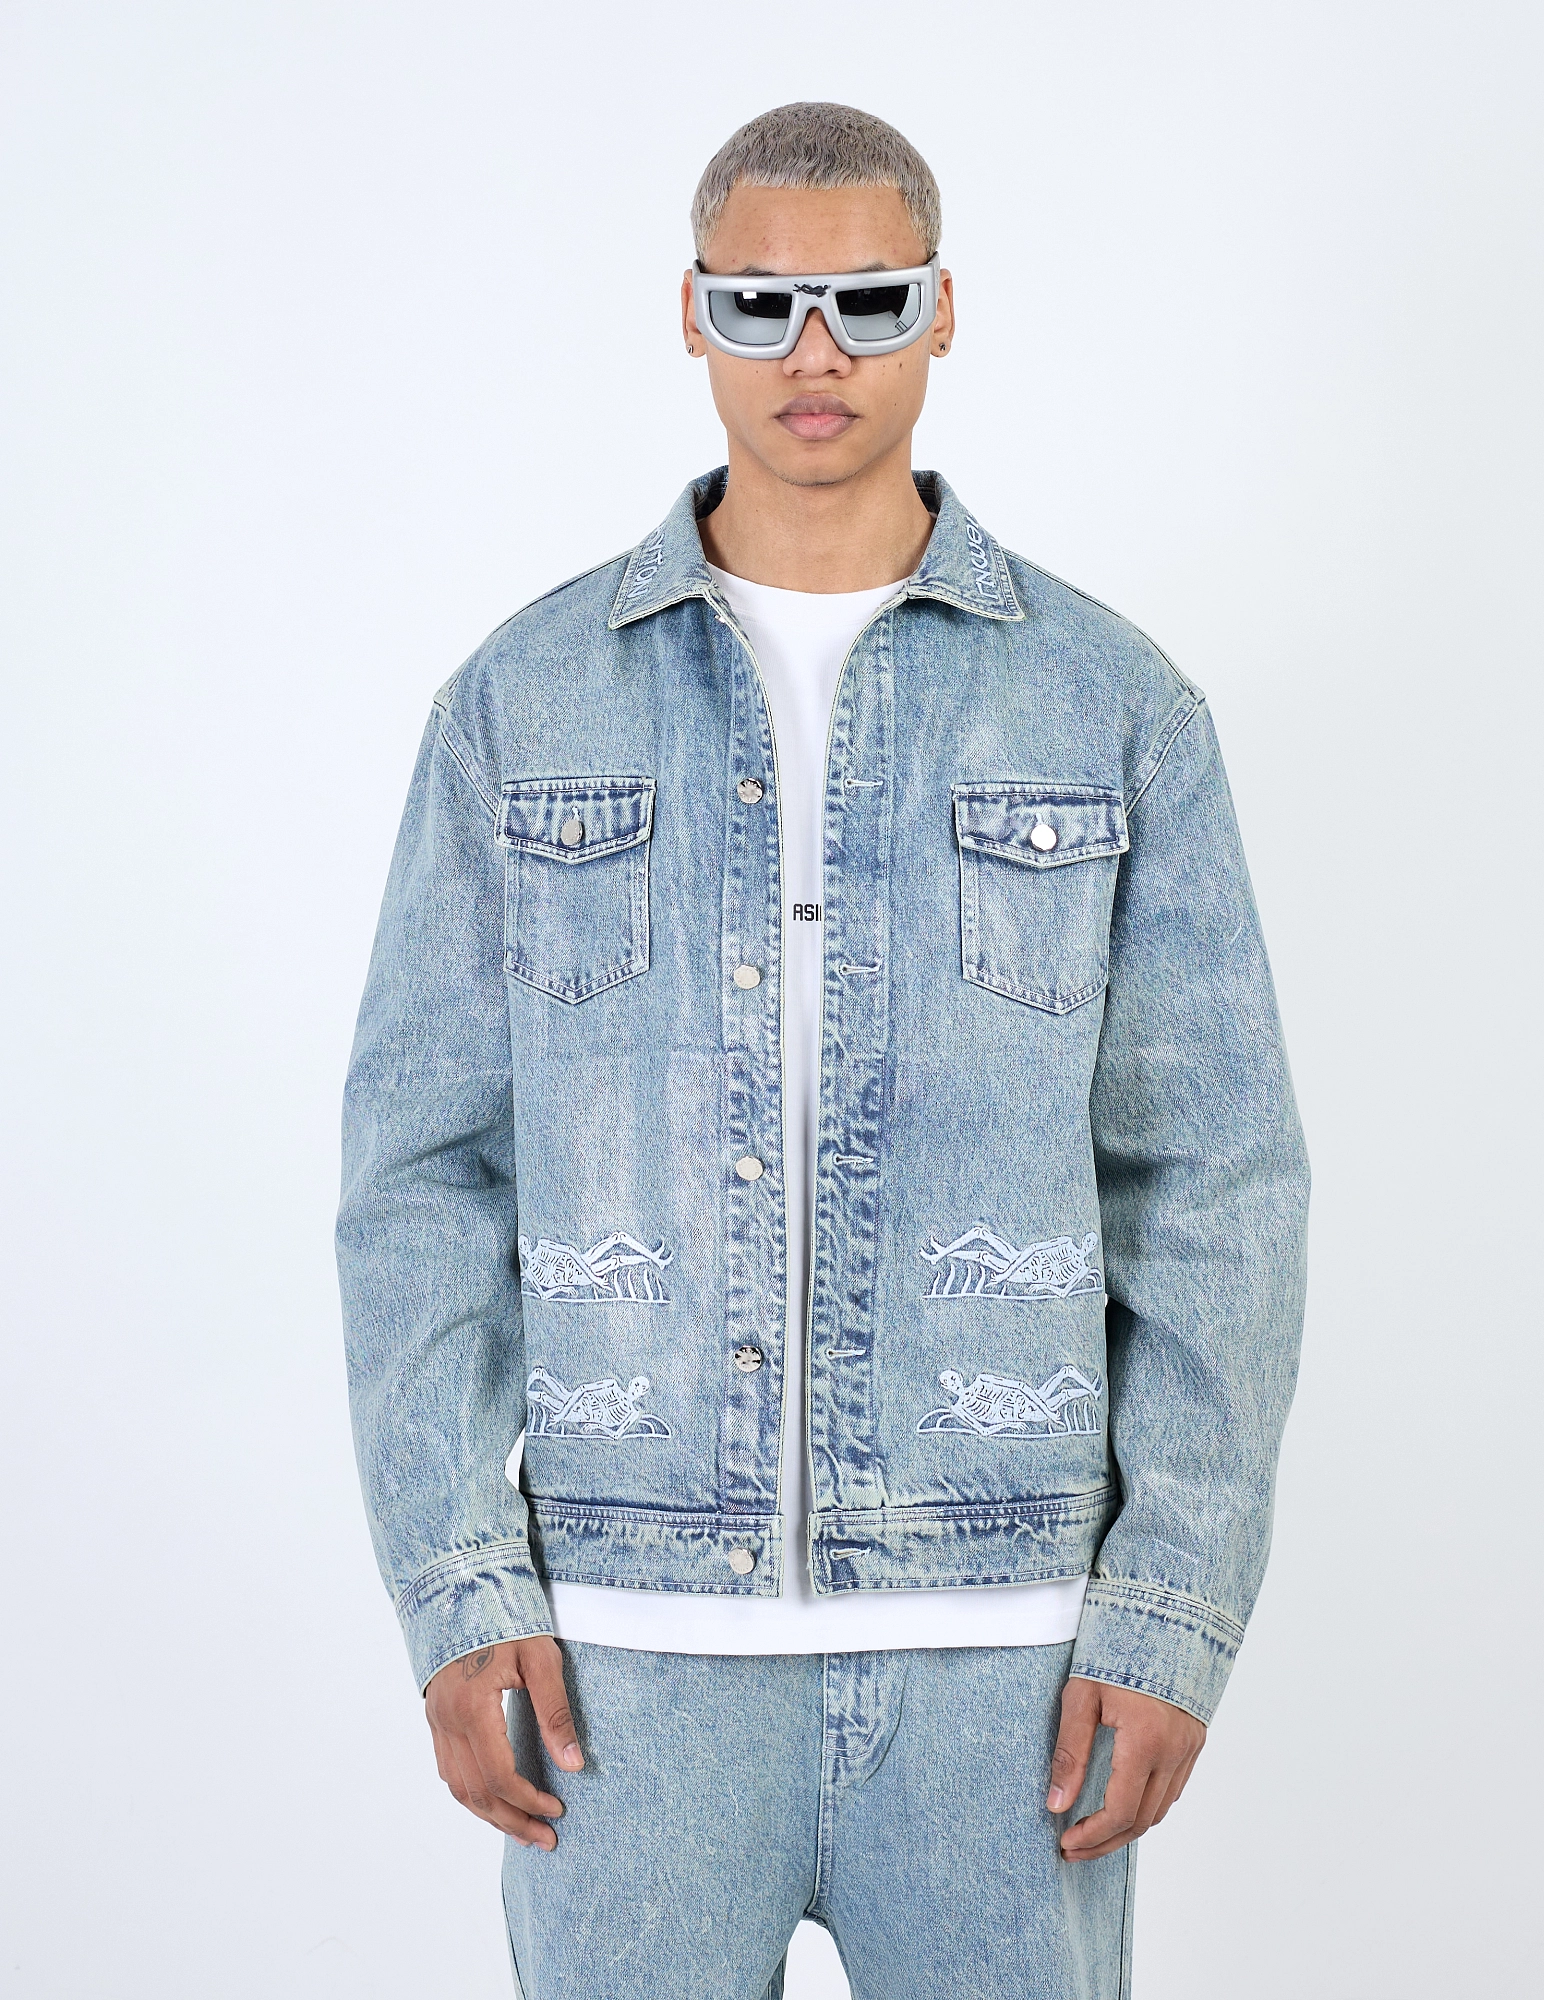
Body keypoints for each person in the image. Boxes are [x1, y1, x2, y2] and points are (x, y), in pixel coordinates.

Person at [337, 100, 1310, 2000]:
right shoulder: (521, 705)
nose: (812, 351)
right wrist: (456, 1592)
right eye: (758, 302)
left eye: (866, 302)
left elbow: (1218, 1188)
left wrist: (1172, 1610)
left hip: (1011, 1668)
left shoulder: (1114, 706)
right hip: (622, 1667)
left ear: (942, 312)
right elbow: (420, 1181)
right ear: (687, 315)